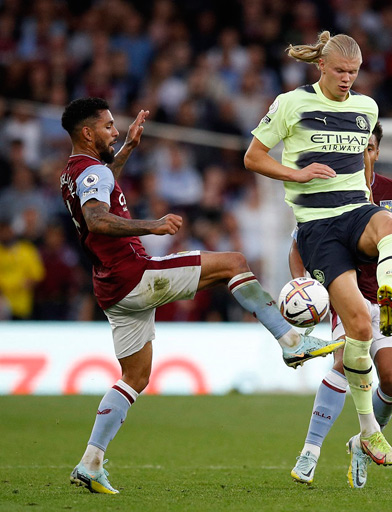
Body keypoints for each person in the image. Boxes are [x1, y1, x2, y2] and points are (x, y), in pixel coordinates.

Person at [60, 97, 342, 495]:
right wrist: (153, 225)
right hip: (134, 275)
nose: (115, 130)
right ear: (87, 133)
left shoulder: (75, 173)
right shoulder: (92, 172)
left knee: (135, 377)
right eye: (108, 127)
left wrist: (127, 151)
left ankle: (90, 461)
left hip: (110, 289)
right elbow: (96, 219)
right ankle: (292, 340)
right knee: (233, 261)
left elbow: (102, 187)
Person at [244, 31, 392, 466]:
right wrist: (295, 175)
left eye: (353, 73)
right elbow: (253, 157)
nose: (347, 80)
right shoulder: (291, 103)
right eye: (340, 72)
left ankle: (389, 295)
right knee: (358, 327)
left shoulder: (366, 108)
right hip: (317, 227)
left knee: (390, 223)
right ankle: (369, 431)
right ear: (321, 67)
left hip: (355, 210)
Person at [288, 123, 392, 488]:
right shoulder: (328, 194)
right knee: (342, 363)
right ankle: (310, 452)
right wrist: (304, 286)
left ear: (377, 151)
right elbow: (299, 245)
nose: (363, 153)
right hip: (348, 296)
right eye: (357, 148)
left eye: (370, 148)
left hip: (389, 301)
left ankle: (361, 444)